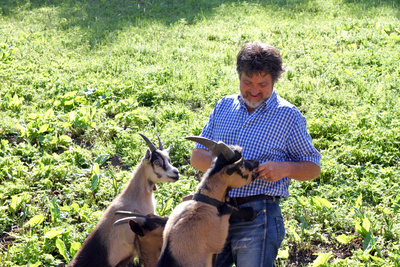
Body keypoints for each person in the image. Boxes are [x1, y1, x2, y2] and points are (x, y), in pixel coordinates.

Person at [189, 41, 321, 267]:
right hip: (214, 211)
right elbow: (197, 156)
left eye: (263, 84)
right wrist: (225, 169)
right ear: (239, 76)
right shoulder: (223, 107)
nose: (254, 90)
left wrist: (285, 169)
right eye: (247, 82)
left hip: (258, 214)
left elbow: (313, 167)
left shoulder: (288, 116)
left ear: (274, 80)